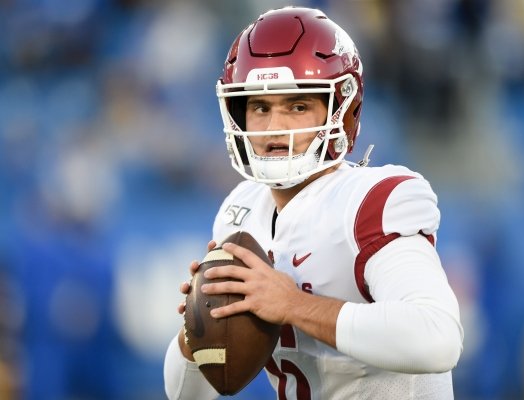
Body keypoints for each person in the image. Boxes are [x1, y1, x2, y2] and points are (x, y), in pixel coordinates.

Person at [164, 6, 463, 400]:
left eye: (298, 106)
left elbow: (437, 337)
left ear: (342, 111)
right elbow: (185, 394)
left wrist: (293, 305)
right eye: (259, 108)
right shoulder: (241, 211)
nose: (274, 128)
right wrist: (199, 326)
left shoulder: (370, 202)